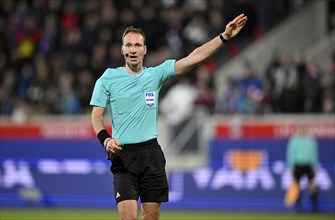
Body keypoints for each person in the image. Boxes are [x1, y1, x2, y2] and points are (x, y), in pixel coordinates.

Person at [90, 14, 247, 220]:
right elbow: (96, 115)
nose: (133, 49)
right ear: (122, 49)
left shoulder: (156, 74)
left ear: (145, 49)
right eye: (128, 45)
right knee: (128, 217)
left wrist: (224, 37)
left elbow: (194, 57)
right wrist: (106, 139)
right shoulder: (108, 77)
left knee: (151, 217)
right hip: (123, 157)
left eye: (137, 45)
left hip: (151, 155)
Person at [286, 123, 319, 213]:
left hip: (308, 165)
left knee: (312, 186)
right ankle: (298, 208)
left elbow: (314, 153)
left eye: (304, 128)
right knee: (296, 186)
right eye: (301, 128)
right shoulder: (294, 140)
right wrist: (290, 166)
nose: (302, 130)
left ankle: (314, 208)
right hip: (298, 165)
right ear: (298, 129)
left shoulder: (311, 139)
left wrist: (314, 165)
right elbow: (291, 153)